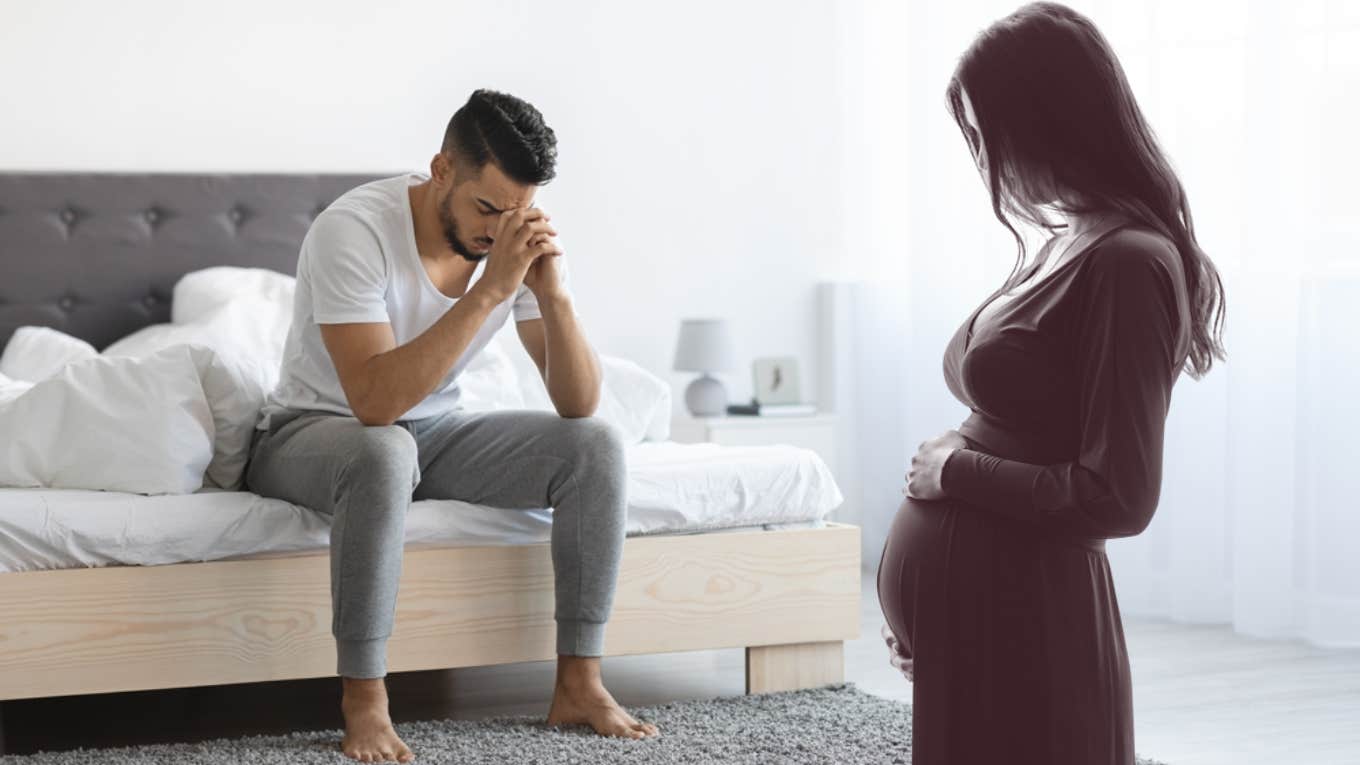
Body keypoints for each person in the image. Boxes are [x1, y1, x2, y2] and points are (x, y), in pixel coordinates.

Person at [246, 88, 659, 763]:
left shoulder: (510, 236)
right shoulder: (352, 230)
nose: (499, 229)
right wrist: (494, 287)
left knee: (597, 445)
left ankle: (579, 681)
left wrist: (551, 293)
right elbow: (374, 402)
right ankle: (365, 701)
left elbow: (578, 403)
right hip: (313, 430)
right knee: (383, 451)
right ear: (441, 170)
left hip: (432, 433)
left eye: (516, 211)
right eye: (486, 208)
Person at [876, 3, 1226, 762]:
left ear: (1045, 120)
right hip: (983, 625)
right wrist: (929, 610)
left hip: (1034, 627)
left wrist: (955, 470)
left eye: (986, 132)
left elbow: (1119, 495)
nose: (983, 156)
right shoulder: (1068, 239)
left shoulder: (1130, 262)